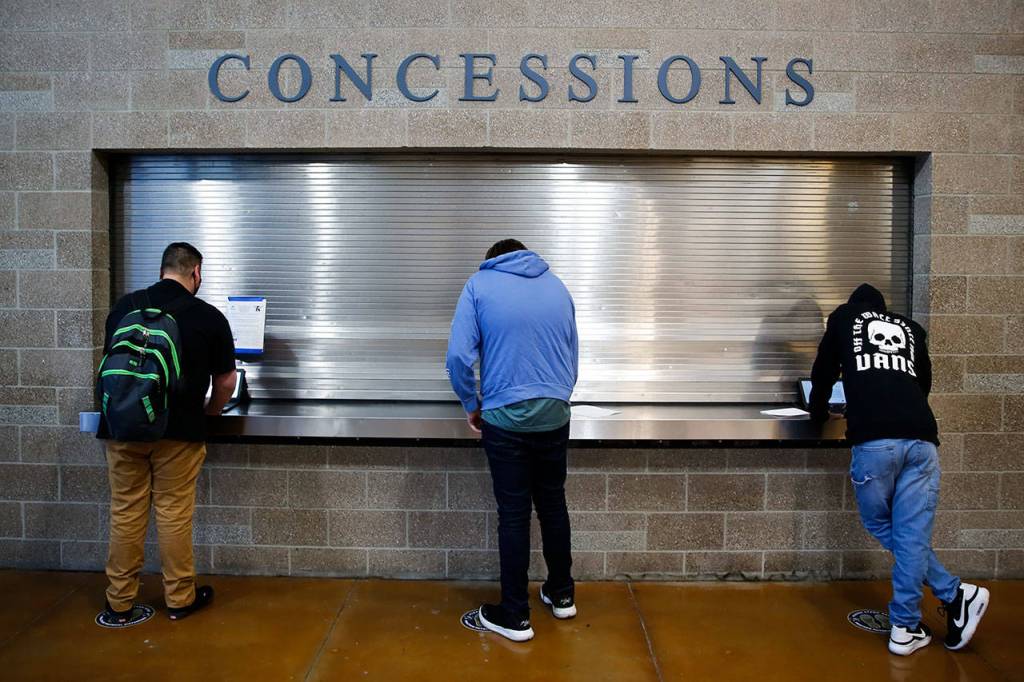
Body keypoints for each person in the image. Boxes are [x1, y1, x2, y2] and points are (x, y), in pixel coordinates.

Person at [810, 283, 989, 656]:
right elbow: (923, 383)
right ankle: (925, 616)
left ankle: (928, 610)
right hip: (922, 439)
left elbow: (824, 368)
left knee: (883, 525)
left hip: (875, 442)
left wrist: (818, 410)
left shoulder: (844, 318)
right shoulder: (910, 327)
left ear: (852, 306)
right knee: (910, 535)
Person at [446, 239, 579, 642]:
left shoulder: (479, 285)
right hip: (555, 413)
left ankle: (514, 615)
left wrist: (472, 403)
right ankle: (562, 595)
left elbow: (457, 357)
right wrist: (557, 396)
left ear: (492, 262)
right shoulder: (556, 285)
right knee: (553, 503)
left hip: (504, 416)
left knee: (515, 513)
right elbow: (572, 353)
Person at [99, 242, 237, 624]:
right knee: (174, 513)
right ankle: (179, 598)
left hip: (123, 427)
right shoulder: (207, 316)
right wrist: (209, 414)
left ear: (162, 269)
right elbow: (225, 380)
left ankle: (119, 602)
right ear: (195, 273)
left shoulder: (125, 307)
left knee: (125, 512)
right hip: (179, 432)